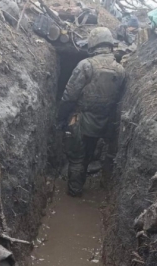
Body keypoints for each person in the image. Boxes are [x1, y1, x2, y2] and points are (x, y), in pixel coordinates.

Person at [57, 27, 126, 197]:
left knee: (76, 158)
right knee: (87, 155)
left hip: (80, 120)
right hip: (102, 123)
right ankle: (82, 184)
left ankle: (74, 194)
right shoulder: (120, 70)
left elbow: (69, 95)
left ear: (93, 44)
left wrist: (59, 117)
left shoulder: (85, 65)